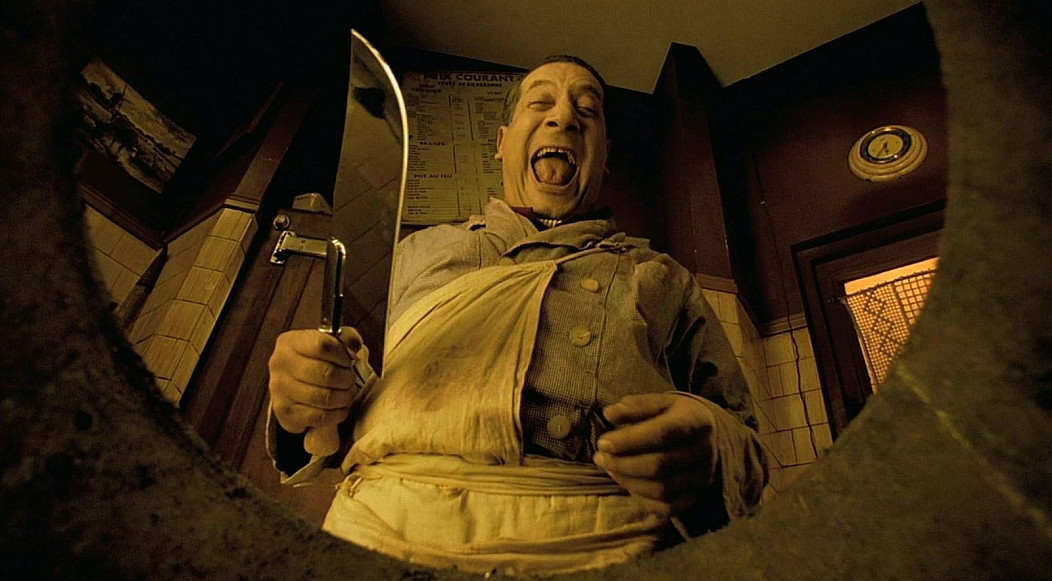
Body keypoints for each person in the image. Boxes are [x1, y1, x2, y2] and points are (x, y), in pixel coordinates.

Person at [266, 55, 768, 575]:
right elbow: (343, 406)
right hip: (383, 538)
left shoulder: (662, 277)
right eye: (541, 102)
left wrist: (714, 447)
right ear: (503, 141)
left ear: (605, 156)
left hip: (603, 550)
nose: (564, 117)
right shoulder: (417, 253)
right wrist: (306, 396)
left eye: (587, 110)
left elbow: (745, 441)